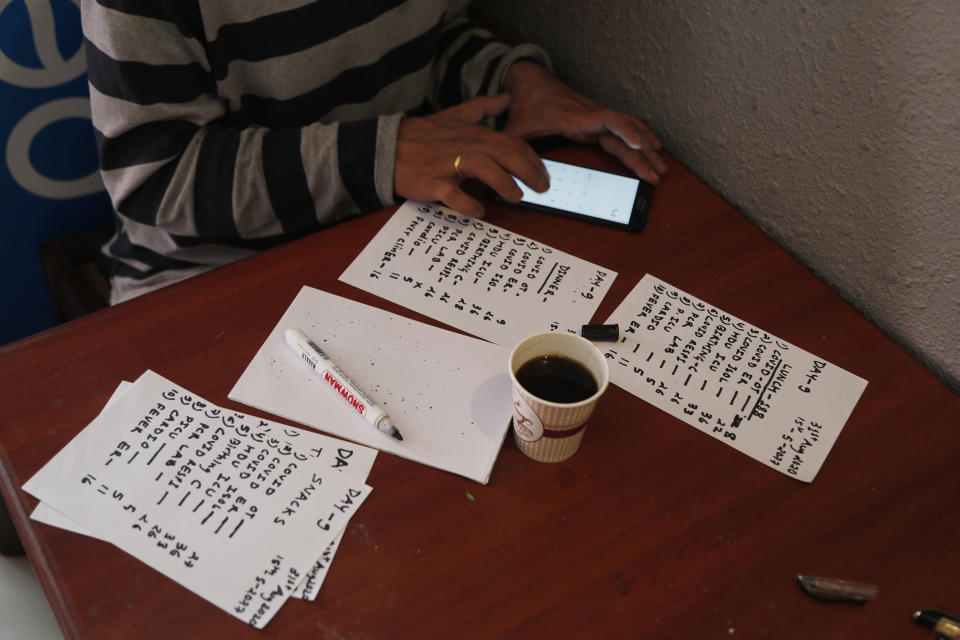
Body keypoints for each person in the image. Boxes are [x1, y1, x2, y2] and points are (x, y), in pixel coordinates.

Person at [83, 1, 668, 304]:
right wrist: (382, 155)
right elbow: (155, 179)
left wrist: (512, 79)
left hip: (399, 235)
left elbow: (428, 39)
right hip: (213, 270)